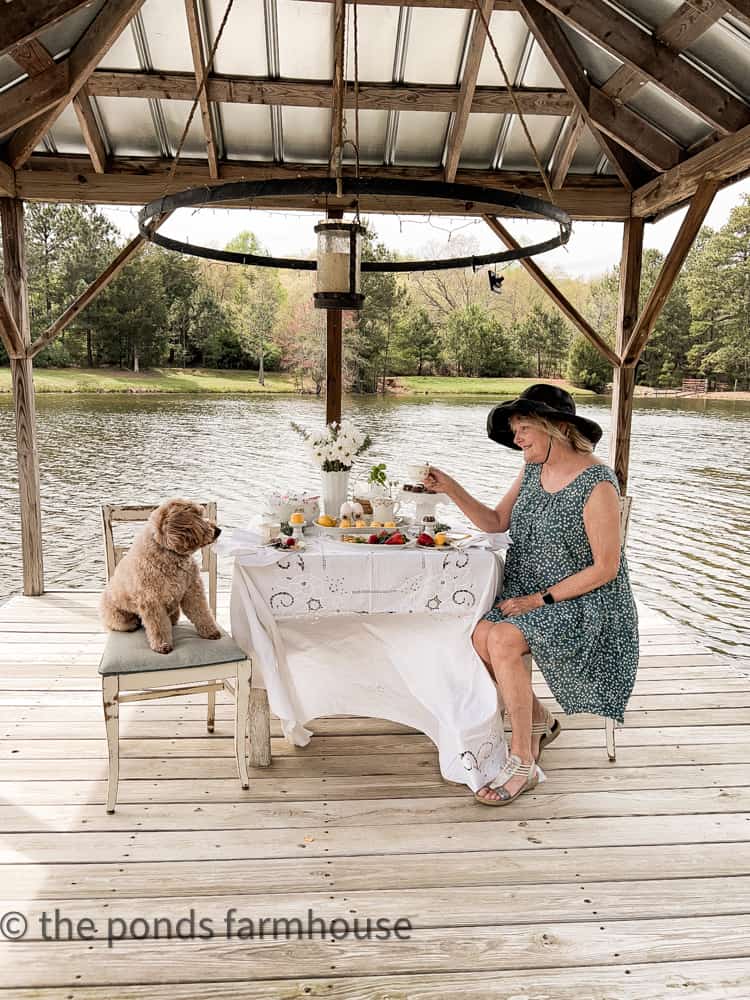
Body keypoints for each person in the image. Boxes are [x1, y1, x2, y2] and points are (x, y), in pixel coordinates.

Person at [424, 384, 638, 806]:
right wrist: (451, 487)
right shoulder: (532, 469)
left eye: (523, 428)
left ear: (557, 428)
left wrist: (538, 600)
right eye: (515, 430)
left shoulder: (597, 483)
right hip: (528, 591)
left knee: (502, 638)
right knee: (478, 635)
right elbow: (495, 521)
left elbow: (605, 568)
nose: (517, 439)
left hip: (586, 602)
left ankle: (522, 758)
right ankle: (538, 720)